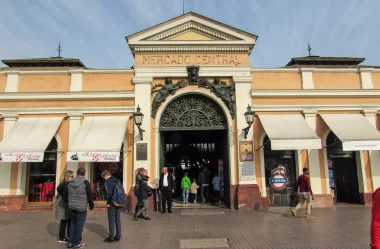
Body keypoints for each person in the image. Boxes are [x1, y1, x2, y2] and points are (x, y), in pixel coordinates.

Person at [62, 168, 94, 249]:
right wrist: (91, 206)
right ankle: (77, 243)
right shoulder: (86, 183)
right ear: (84, 173)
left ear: (77, 173)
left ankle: (70, 242)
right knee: (79, 225)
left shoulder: (69, 182)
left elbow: (64, 194)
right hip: (82, 207)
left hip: (72, 206)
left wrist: (69, 202)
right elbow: (90, 196)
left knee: (73, 223)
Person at [102, 170, 122, 243]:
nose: (104, 179)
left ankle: (111, 237)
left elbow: (108, 194)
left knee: (111, 221)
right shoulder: (117, 180)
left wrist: (108, 202)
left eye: (104, 177)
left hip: (112, 203)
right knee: (118, 219)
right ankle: (118, 236)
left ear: (106, 176)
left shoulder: (107, 182)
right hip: (119, 202)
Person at [56, 170, 74, 243]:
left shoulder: (63, 183)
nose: (73, 178)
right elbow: (64, 195)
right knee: (65, 221)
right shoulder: (65, 184)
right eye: (72, 176)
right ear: (68, 176)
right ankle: (62, 237)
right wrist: (70, 202)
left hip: (64, 205)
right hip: (64, 205)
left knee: (66, 220)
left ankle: (67, 236)